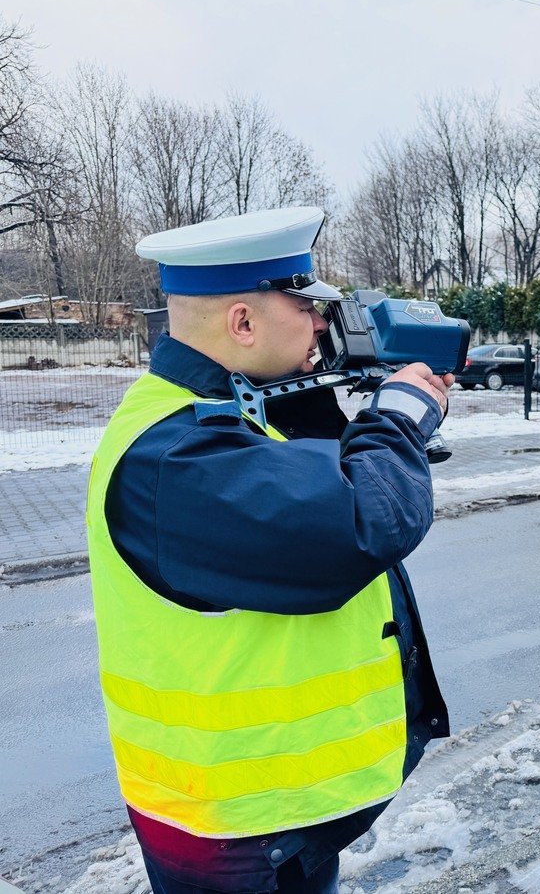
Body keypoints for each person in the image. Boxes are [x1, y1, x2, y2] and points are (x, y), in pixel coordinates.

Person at [86, 207, 453, 893]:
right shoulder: (178, 456)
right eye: (308, 307)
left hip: (270, 812)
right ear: (243, 324)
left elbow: (310, 470)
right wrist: (397, 418)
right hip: (233, 836)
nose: (322, 322)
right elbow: (360, 522)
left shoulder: (224, 407)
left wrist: (346, 394)